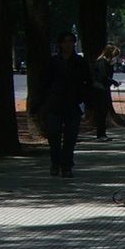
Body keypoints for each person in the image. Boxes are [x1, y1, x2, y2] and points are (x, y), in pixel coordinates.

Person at [38, 31, 91, 178]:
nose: (68, 45)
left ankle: (67, 165)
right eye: (65, 41)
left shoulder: (80, 62)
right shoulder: (53, 62)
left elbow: (87, 82)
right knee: (53, 135)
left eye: (70, 41)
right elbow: (44, 82)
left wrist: (84, 99)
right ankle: (55, 163)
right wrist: (43, 102)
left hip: (73, 104)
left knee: (70, 137)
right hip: (54, 103)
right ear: (60, 44)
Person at [90, 43, 121, 141]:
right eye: (114, 55)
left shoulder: (106, 63)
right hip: (100, 89)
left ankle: (102, 133)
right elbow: (103, 77)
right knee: (101, 112)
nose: (114, 58)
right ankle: (100, 134)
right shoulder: (101, 63)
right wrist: (114, 82)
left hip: (104, 88)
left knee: (104, 112)